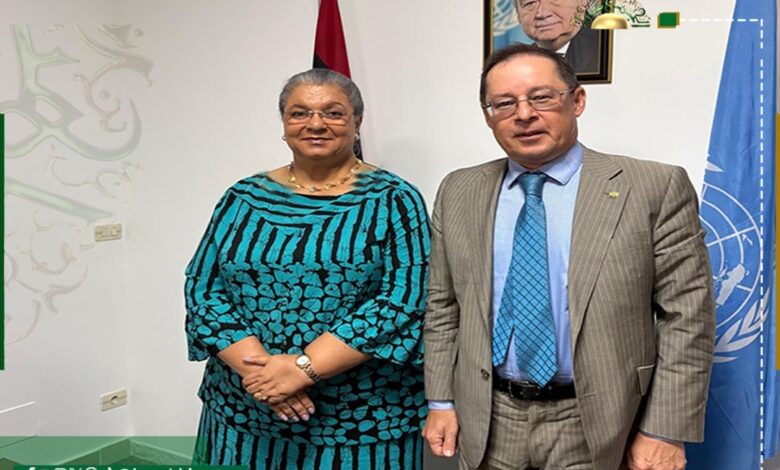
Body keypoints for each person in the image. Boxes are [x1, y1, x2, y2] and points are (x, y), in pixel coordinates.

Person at [422, 43, 715, 470]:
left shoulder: (653, 187)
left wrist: (663, 431)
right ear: (488, 116)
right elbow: (443, 306)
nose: (524, 114)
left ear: (577, 100)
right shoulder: (459, 190)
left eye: (541, 97)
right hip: (487, 416)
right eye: (504, 103)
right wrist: (441, 400)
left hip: (599, 419)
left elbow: (687, 317)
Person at [184, 68, 430, 469]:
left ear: (357, 122)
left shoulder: (394, 199)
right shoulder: (241, 197)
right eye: (299, 113)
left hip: (359, 419)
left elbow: (405, 300)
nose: (315, 124)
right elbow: (203, 289)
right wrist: (266, 377)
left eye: (333, 112)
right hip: (245, 406)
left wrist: (303, 370)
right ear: (284, 124)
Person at [515, 0, 599, 74]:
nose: (542, 14)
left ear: (583, 2)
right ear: (518, 14)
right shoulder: (516, 66)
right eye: (530, 2)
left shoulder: (603, 51)